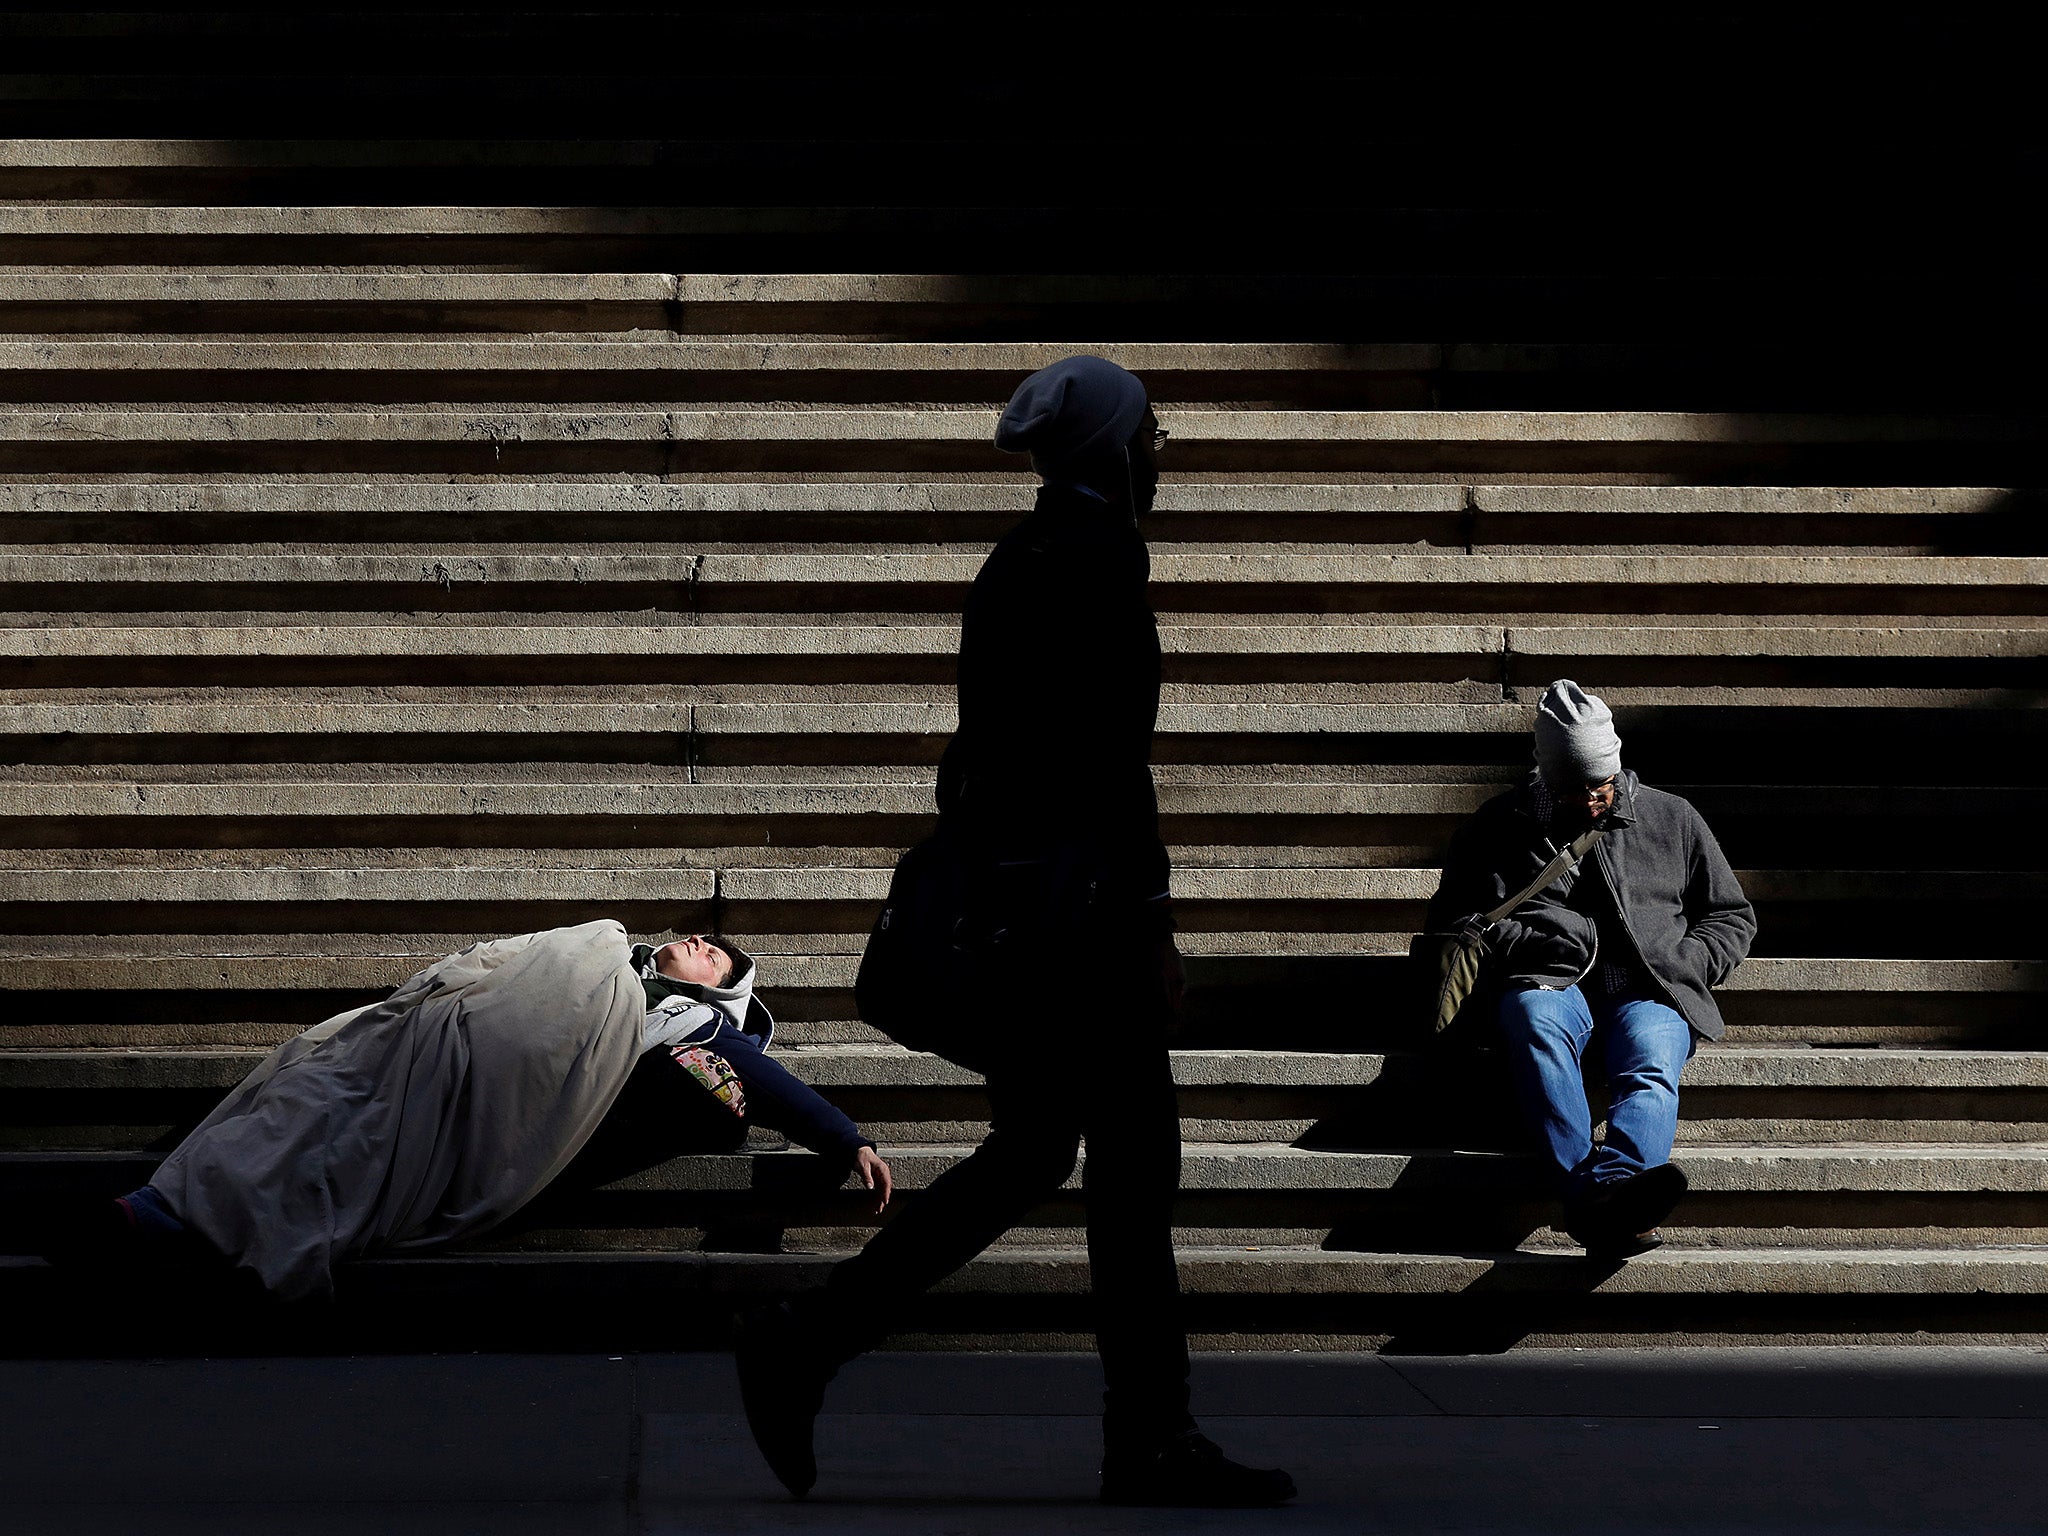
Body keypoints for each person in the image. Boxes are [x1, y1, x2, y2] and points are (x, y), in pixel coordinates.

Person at [733, 356, 1296, 1508]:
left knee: (1042, 1147)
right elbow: (1107, 773)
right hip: (1081, 931)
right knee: (1133, 1169)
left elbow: (984, 757)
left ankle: (811, 1339)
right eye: (1150, 435)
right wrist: (1149, 924)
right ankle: (1147, 1436)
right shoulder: (1090, 568)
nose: (1160, 451)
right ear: (1113, 452)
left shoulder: (1018, 562)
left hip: (1032, 916)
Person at [46, 926, 889, 1291]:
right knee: (310, 1084)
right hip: (419, 1046)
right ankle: (163, 1208)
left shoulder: (690, 1021)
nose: (702, 943)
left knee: (350, 1142)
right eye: (705, 938)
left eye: (718, 955)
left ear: (721, 993)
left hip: (468, 1093)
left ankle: (160, 1219)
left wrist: (844, 1138)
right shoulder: (606, 958)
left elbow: (757, 1080)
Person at [1425, 680, 1757, 1255]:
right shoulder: (1498, 825)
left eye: (1600, 785)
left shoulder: (1671, 817)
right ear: (1546, 774)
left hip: (1650, 990)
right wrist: (1527, 942)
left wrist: (1693, 959)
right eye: (1573, 788)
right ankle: (1609, 1202)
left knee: (1652, 1060)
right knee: (1532, 1020)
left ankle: (1599, 1196)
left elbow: (1731, 915)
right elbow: (1456, 919)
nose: (1590, 799)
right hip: (1549, 984)